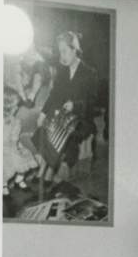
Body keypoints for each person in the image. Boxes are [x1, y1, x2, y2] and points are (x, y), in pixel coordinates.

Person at [33, 31, 98, 181]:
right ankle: (43, 170)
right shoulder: (62, 72)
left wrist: (75, 105)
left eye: (65, 51)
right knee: (46, 125)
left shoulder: (90, 73)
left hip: (81, 118)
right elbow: (55, 95)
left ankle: (50, 173)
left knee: (62, 132)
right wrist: (43, 114)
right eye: (60, 52)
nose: (62, 56)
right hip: (63, 115)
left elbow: (93, 103)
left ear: (74, 49)